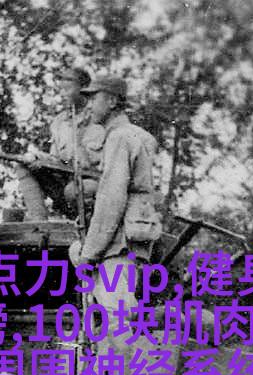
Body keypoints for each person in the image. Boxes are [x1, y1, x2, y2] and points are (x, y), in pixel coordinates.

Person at [68, 76, 160, 356]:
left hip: (119, 243)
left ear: (111, 101)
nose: (89, 105)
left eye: (94, 98)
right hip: (128, 239)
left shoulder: (119, 137)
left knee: (116, 316)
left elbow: (111, 200)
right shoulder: (134, 135)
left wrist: (89, 253)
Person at [15, 67, 105, 221]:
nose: (62, 94)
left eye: (67, 90)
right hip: (68, 186)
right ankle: (39, 221)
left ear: (84, 89)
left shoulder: (99, 118)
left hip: (97, 188)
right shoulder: (59, 122)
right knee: (23, 164)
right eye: (61, 90)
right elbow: (56, 159)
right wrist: (37, 158)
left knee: (75, 189)